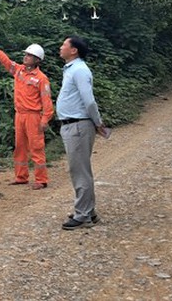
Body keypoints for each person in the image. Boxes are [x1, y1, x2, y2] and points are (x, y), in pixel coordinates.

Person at [0, 37, 54, 189]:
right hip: (19, 115)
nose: (25, 57)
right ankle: (21, 177)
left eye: (29, 55)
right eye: (26, 54)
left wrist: (45, 119)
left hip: (33, 116)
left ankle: (41, 180)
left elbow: (47, 101)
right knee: (20, 147)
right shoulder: (18, 71)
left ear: (37, 60)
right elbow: (4, 59)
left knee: (36, 148)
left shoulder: (41, 79)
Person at [56, 35, 108, 230]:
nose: (60, 47)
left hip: (77, 125)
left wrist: (98, 122)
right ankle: (89, 211)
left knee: (79, 171)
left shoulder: (79, 70)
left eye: (64, 44)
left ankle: (83, 215)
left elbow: (89, 100)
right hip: (73, 125)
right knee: (80, 169)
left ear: (74, 50)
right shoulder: (72, 69)